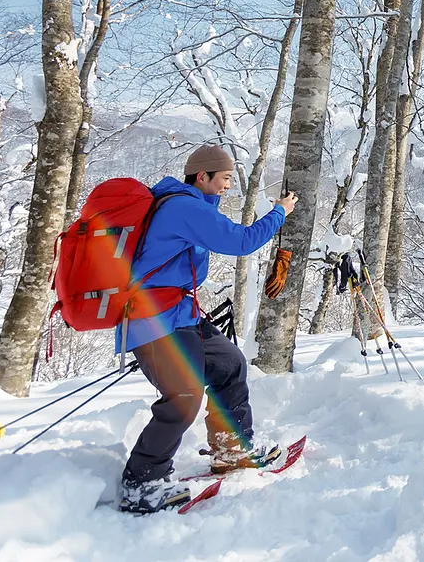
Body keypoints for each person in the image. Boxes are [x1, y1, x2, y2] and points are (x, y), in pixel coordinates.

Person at [118, 144, 298, 514]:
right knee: (183, 396)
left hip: (179, 314)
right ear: (203, 176)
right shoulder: (183, 207)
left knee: (229, 365)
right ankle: (141, 484)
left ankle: (231, 449)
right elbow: (241, 241)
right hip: (152, 319)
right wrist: (280, 212)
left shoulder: (182, 204)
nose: (228, 187)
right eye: (225, 179)